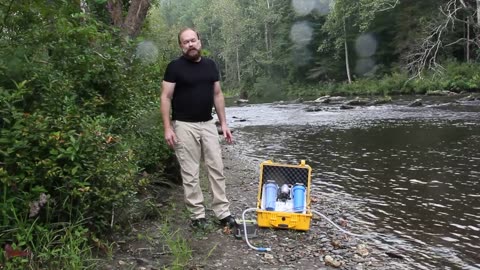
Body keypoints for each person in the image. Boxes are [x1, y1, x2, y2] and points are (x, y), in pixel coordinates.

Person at [160, 27, 236, 229]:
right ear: (181, 46)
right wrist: (168, 128)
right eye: (186, 42)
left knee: (216, 167)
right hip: (184, 125)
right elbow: (165, 97)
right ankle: (197, 216)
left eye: (193, 40)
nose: (190, 44)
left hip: (208, 123)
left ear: (199, 42)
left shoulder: (211, 66)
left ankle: (223, 213)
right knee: (190, 172)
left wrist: (224, 123)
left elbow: (217, 95)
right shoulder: (174, 67)